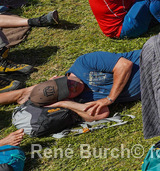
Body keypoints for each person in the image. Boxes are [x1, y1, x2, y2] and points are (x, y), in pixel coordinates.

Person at [1, 49, 144, 122]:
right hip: (154, 85)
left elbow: (124, 65)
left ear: (57, 77)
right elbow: (102, 114)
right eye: (68, 90)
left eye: (67, 82)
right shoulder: (79, 100)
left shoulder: (84, 63)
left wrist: (110, 98)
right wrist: (65, 104)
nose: (73, 86)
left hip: (151, 61)